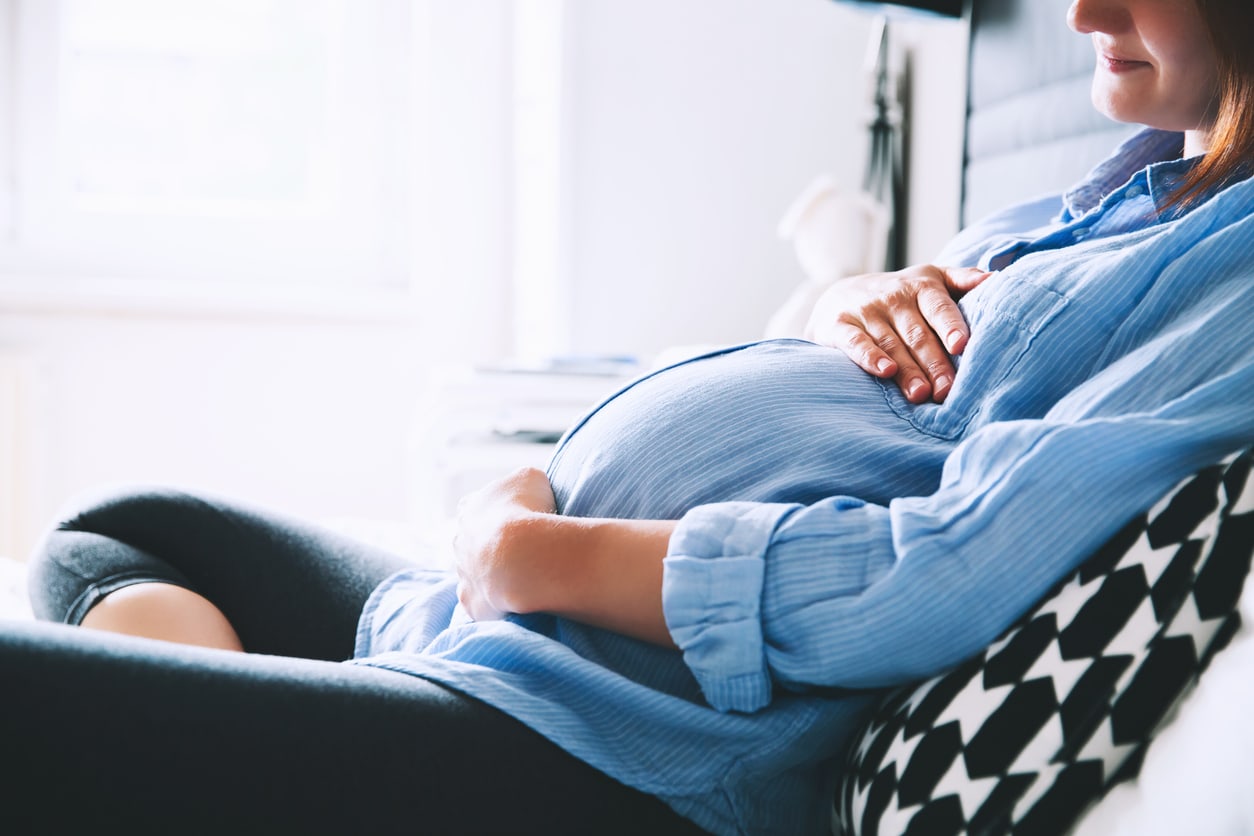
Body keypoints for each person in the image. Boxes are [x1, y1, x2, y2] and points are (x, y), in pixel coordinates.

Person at [6, 0, 1252, 833]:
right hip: (510, 637)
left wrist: (540, 552)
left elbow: (940, 566)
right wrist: (844, 305)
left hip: (614, 740)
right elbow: (875, 406)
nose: (1081, 13)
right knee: (118, 534)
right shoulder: (1130, 191)